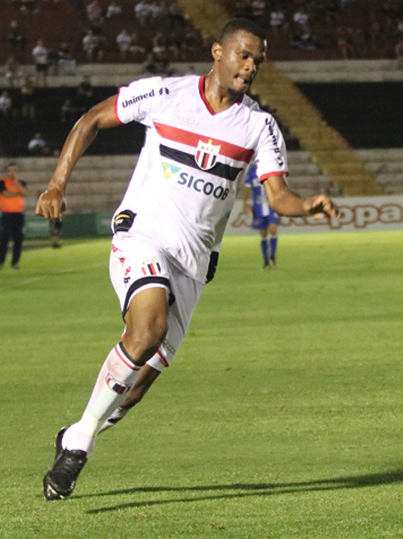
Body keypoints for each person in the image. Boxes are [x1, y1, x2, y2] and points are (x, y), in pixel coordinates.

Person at [36, 18, 340, 501]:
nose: (251, 66)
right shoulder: (165, 95)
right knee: (146, 329)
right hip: (143, 235)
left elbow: (278, 195)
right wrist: (57, 183)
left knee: (135, 389)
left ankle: (77, 429)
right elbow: (91, 119)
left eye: (258, 60)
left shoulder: (259, 125)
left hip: (194, 262)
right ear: (218, 52)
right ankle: (80, 444)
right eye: (243, 55)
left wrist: (305, 205)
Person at [241, 166, 280, 268]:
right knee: (263, 233)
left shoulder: (271, 168)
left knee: (273, 228)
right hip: (258, 205)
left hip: (272, 204)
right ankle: (266, 260)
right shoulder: (252, 172)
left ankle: (272, 256)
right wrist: (244, 204)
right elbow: (246, 188)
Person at [0, 162, 27, 270]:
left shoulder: (21, 182)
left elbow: (25, 192)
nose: (12, 172)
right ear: (6, 171)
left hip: (19, 214)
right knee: (4, 240)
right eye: (10, 170)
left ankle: (15, 263)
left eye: (14, 170)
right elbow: (5, 194)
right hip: (7, 215)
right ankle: (0, 262)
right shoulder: (2, 182)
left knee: (18, 240)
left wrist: (17, 185)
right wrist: (18, 193)